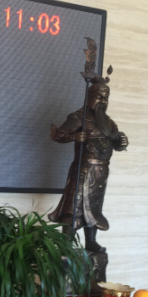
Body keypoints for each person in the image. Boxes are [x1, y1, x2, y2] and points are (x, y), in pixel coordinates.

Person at [48, 75, 128, 253]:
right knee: (73, 208)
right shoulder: (78, 117)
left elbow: (115, 142)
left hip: (101, 173)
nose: (103, 101)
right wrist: (73, 136)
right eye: (99, 96)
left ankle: (91, 241)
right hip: (83, 170)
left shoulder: (108, 123)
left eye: (106, 97)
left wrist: (121, 142)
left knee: (94, 209)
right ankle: (66, 245)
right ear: (90, 96)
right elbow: (58, 135)